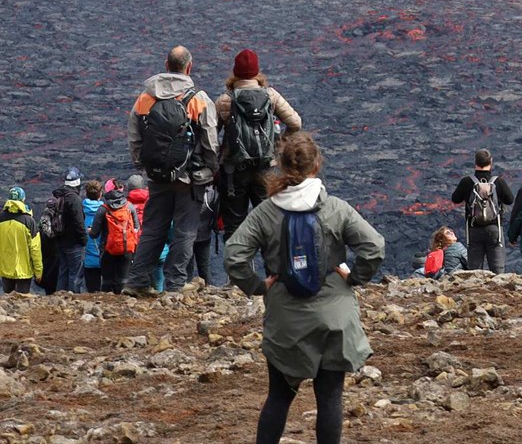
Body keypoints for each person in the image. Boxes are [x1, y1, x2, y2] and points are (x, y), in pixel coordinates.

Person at [225, 131, 384, 444]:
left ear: (282, 167)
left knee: (279, 398)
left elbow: (234, 255)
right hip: (334, 319)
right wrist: (354, 277)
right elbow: (374, 246)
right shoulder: (337, 209)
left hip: (286, 318)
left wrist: (257, 285)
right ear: (316, 167)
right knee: (329, 399)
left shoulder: (265, 212)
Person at [125, 45, 220, 297]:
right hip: (190, 177)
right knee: (185, 230)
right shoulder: (198, 99)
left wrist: (142, 166)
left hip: (157, 175)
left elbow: (134, 136)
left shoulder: (145, 98)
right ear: (189, 67)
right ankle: (176, 284)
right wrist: (212, 169)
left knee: (154, 227)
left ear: (166, 66)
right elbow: (210, 141)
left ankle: (136, 281)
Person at [218, 49, 302, 244]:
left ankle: (237, 273)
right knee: (269, 224)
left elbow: (211, 135)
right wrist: (279, 145)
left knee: (235, 226)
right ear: (258, 73)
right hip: (266, 168)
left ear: (235, 73)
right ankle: (273, 272)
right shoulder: (270, 96)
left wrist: (217, 159)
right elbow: (295, 123)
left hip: (234, 172)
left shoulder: (225, 101)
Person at [451, 149, 514, 273]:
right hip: (494, 228)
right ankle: (498, 289)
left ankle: (475, 289)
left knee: (474, 268)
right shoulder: (498, 181)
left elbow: (455, 199)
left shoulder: (467, 181)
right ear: (491, 162)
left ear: (475, 163)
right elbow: (510, 200)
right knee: (497, 269)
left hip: (473, 228)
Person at [0, 187, 45, 294]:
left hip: (4, 267)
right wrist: (38, 272)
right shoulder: (29, 222)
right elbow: (35, 249)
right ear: (23, 199)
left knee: (7, 298)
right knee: (23, 300)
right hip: (24, 268)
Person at [42, 168, 88, 294]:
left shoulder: (59, 196)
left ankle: (60, 296)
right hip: (73, 243)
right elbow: (79, 222)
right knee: (75, 273)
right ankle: (73, 299)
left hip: (59, 241)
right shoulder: (74, 199)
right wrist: (84, 240)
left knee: (63, 270)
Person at [94, 179, 139, 293]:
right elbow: (136, 228)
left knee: (107, 280)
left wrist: (90, 231)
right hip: (126, 248)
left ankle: (106, 301)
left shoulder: (103, 209)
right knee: (123, 278)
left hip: (108, 248)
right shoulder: (130, 207)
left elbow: (94, 233)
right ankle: (122, 301)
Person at [79, 179, 105, 295]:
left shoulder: (79, 211)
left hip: (88, 260)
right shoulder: (106, 211)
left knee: (92, 294)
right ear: (100, 194)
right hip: (106, 258)